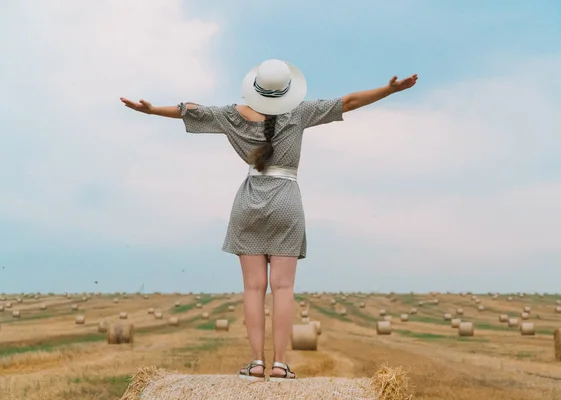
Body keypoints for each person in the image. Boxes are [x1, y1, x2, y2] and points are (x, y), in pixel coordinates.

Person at [120, 59, 418, 382]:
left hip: (248, 202)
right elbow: (348, 102)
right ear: (287, 91)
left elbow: (191, 109)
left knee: (253, 288)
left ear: (255, 89)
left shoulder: (233, 115)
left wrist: (152, 111)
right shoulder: (301, 113)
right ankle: (280, 364)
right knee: (283, 287)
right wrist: (389, 91)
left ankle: (256, 363)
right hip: (287, 201)